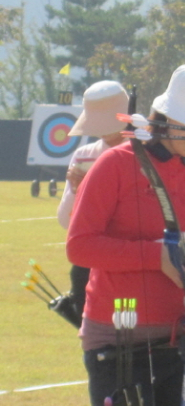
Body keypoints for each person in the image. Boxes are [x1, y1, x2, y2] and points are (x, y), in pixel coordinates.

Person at [67, 63, 185, 406]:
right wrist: (155, 256)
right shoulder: (115, 163)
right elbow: (80, 246)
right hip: (115, 341)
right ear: (168, 114)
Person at [58, 80, 129, 319]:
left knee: (128, 335)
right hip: (88, 263)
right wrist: (78, 190)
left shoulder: (147, 152)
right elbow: (65, 221)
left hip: (129, 262)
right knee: (92, 338)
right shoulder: (84, 155)